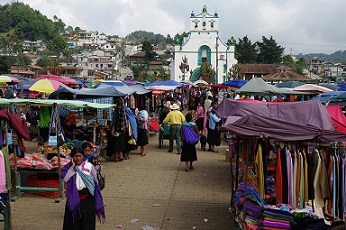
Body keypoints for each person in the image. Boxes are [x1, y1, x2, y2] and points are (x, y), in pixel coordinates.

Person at [61, 146, 105, 230]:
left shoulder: (89, 166)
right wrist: (72, 168)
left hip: (87, 200)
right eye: (75, 156)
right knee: (73, 225)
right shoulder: (68, 167)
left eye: (80, 156)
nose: (78, 158)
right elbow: (65, 178)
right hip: (74, 199)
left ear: (83, 156)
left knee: (87, 224)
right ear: (72, 157)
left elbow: (95, 182)